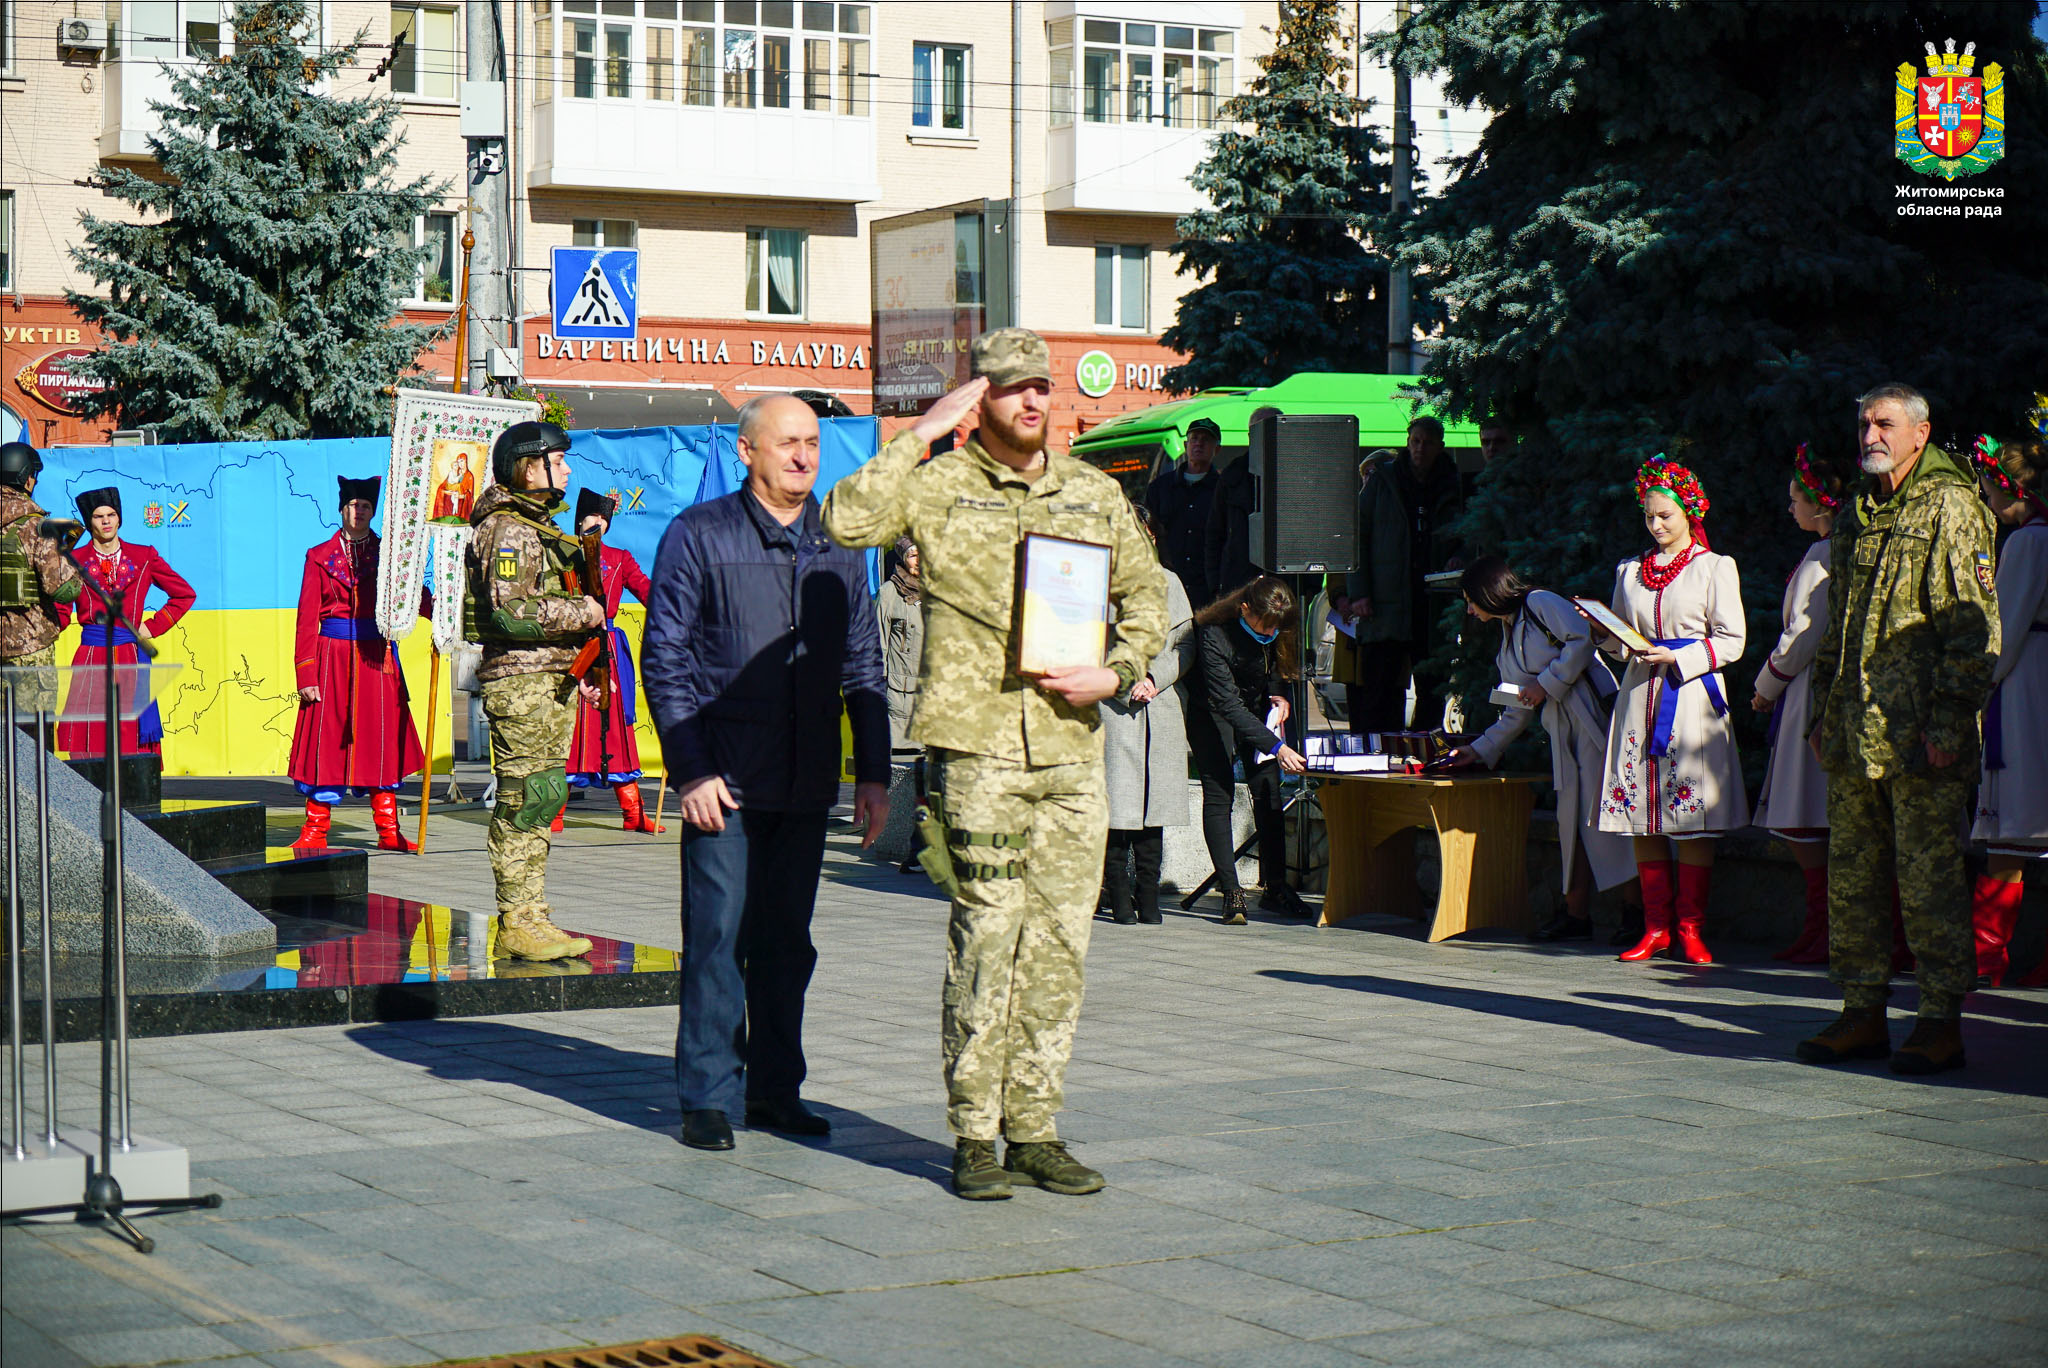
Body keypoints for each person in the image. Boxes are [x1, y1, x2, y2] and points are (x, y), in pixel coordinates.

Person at [821, 328, 1166, 1202]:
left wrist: (1116, 671)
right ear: (982, 399)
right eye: (1012, 389)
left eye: (1041, 387)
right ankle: (975, 1135)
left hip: (1069, 753)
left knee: (1059, 946)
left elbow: (1148, 594)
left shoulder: (1092, 493)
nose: (1033, 402)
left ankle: (1036, 1129)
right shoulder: (937, 489)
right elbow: (846, 518)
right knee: (986, 941)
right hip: (980, 752)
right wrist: (922, 432)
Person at [644, 393, 890, 1153]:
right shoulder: (700, 535)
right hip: (724, 782)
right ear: (748, 451)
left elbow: (863, 663)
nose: (804, 456)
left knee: (788, 942)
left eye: (812, 443)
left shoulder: (837, 542)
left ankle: (776, 1089)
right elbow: (667, 658)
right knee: (719, 938)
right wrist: (690, 771)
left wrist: (873, 775)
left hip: (807, 779)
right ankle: (709, 1096)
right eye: (787, 442)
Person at [1798, 384, 1998, 1074]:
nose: (1870, 434)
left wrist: (1950, 719)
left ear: (1921, 432)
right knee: (1853, 874)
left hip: (1921, 734)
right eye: (1863, 423)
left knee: (1928, 878)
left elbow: (1972, 626)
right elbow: (1839, 620)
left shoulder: (1950, 503)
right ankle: (1861, 1011)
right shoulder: (1858, 508)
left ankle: (1939, 1018)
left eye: (1884, 423)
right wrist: (1823, 708)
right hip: (1856, 728)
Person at [1595, 455, 1748, 966]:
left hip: (1691, 702)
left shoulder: (1714, 567)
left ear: (1689, 512)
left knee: (1692, 815)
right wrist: (1611, 637)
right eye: (1650, 517)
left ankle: (1691, 929)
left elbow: (1733, 640)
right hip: (1639, 696)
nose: (1657, 525)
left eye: (1665, 515)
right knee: (1644, 814)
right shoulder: (1631, 572)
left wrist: (1679, 656)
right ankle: (1655, 928)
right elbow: (1620, 638)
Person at [465, 420, 608, 963]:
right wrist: (583, 612)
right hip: (521, 681)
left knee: (544, 795)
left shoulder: (534, 526)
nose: (567, 469)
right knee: (525, 797)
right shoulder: (507, 530)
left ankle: (532, 912)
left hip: (547, 678)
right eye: (558, 459)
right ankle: (516, 919)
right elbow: (507, 611)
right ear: (528, 466)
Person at [1445, 557, 1631, 941]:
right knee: (1571, 822)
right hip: (1566, 730)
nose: (1469, 609)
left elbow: (1583, 638)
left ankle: (1637, 912)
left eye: (1471, 600)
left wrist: (1546, 684)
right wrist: (1478, 750)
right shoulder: (1510, 629)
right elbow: (1517, 707)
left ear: (1488, 594)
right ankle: (1578, 913)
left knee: (1605, 817)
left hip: (1594, 719)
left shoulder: (1540, 602)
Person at [286, 477, 430, 853]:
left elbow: (415, 597)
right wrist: (306, 672)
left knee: (380, 741)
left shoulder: (390, 554)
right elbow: (306, 620)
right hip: (331, 658)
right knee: (326, 743)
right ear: (342, 509)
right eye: (352, 505)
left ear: (372, 510)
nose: (358, 511)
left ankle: (388, 831)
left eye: (365, 506)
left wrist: (444, 617)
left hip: (375, 658)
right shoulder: (318, 556)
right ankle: (315, 831)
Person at [1752, 445, 1846, 964]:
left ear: (1821, 504)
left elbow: (1802, 633)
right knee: (1805, 815)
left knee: (1807, 811)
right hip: (1807, 686)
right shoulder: (1825, 552)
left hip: (1811, 689)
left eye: (1796, 500)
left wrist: (1767, 686)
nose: (1790, 509)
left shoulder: (1824, 556)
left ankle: (1827, 925)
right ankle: (1822, 924)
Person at [1966, 430, 2048, 988]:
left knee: (2013, 830)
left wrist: (1980, 682)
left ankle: (1985, 959)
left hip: (2026, 687)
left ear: (2008, 487)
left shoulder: (2027, 541)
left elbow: (2007, 628)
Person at [1187, 575, 1309, 925]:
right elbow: (1226, 703)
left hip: (1256, 708)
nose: (1271, 632)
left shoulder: (1278, 625)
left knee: (1268, 792)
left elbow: (1275, 664)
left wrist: (1279, 694)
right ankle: (1231, 890)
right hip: (1212, 711)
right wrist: (1277, 746)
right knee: (1219, 792)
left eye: (1277, 628)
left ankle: (1276, 887)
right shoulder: (1213, 633)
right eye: (1264, 625)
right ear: (1244, 609)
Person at [1332, 415, 1464, 734]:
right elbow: (1357, 537)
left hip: (1433, 605)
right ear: (1407, 442)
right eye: (1415, 440)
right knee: (1382, 691)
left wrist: (1460, 556)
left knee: (1432, 690)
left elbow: (1466, 532)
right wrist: (1359, 592)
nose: (1420, 448)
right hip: (1386, 605)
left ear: (1440, 447)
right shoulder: (1384, 479)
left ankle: (1423, 756)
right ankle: (1383, 760)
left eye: (1428, 442)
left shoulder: (1451, 483)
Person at [1100, 502, 1195, 926]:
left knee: (1154, 810)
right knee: (1117, 810)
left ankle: (1149, 896)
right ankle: (1119, 898)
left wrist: (1155, 679)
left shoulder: (1171, 582)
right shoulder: (1097, 583)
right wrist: (1123, 685)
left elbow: (1186, 645)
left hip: (1159, 705)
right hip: (1113, 707)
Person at [55, 487, 196, 758]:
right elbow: (61, 609)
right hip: (92, 656)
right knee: (90, 730)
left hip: (130, 655)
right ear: (89, 521)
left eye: (111, 515)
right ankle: (91, 793)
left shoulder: (144, 557)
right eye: (98, 516)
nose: (106, 521)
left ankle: (132, 795)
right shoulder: (74, 560)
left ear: (119, 519)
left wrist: (152, 627)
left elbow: (184, 594)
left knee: (130, 733)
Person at [561, 487, 664, 835]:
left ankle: (633, 812)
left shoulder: (620, 557)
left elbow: (649, 591)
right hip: (572, 648)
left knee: (617, 730)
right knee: (570, 728)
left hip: (608, 648)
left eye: (604, 518)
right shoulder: (563, 555)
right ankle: (555, 812)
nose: (599, 523)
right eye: (593, 517)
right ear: (579, 521)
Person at [0, 443, 84, 685]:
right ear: (26, 478)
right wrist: (66, 555)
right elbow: (65, 590)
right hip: (30, 649)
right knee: (33, 723)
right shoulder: (37, 528)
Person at [1144, 417, 1219, 609]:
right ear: (1186, 445)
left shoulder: (1224, 489)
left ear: (1217, 449)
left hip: (1207, 592)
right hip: (1167, 586)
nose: (1199, 444)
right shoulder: (1160, 488)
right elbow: (1146, 534)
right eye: (1194, 438)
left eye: (1206, 440)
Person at [1205, 406, 1279, 598]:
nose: (1265, 435)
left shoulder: (1299, 471)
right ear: (1249, 435)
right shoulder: (1233, 474)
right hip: (1239, 584)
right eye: (1259, 429)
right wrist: (1217, 585)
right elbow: (1215, 534)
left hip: (1286, 584)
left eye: (1272, 428)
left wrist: (1310, 585)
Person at [430, 451, 477, 521]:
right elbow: (443, 486)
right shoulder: (454, 473)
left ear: (466, 461)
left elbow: (470, 496)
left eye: (462, 461)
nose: (460, 464)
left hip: (461, 507)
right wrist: (445, 492)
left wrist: (460, 496)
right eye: (458, 462)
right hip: (450, 504)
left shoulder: (469, 476)